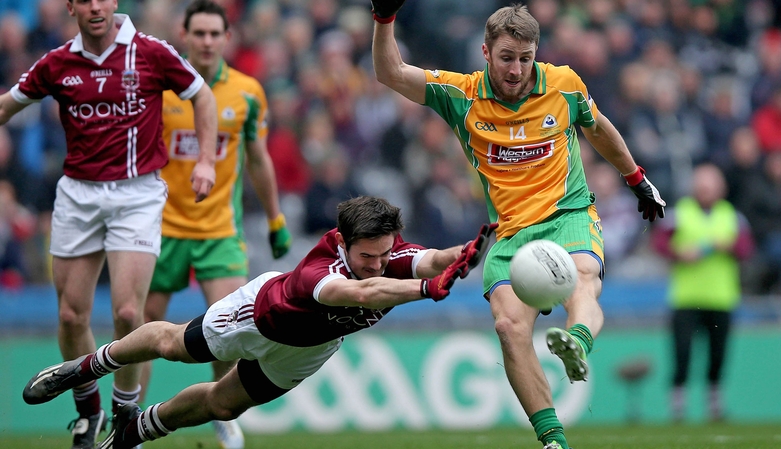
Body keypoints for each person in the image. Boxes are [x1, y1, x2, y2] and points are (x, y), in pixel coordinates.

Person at [371, 3, 665, 449]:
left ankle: (577, 342)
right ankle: (553, 440)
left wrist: (636, 178)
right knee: (509, 328)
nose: (516, 69)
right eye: (506, 57)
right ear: (485, 52)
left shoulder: (563, 84)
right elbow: (390, 73)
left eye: (525, 58)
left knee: (583, 277)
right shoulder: (461, 94)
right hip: (510, 234)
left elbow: (597, 128)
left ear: (536, 54)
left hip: (568, 215)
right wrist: (384, 19)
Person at [22, 196, 497, 449]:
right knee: (172, 345)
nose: (378, 264)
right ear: (343, 243)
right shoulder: (321, 271)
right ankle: (84, 368)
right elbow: (361, 293)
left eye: (385, 254)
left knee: (223, 406)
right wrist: (425, 290)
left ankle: (133, 433)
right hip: (260, 316)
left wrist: (467, 253)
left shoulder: (388, 254)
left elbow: (433, 259)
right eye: (367, 257)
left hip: (309, 349)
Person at [0, 1, 218, 447]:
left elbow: (202, 95)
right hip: (78, 195)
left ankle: (125, 410)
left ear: (115, 2)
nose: (96, 6)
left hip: (136, 194)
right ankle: (88, 411)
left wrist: (206, 161)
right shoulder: (57, 62)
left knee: (127, 313)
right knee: (70, 315)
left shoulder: (151, 51)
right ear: (71, 7)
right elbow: (7, 106)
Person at [139, 2, 291, 447]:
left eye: (213, 34)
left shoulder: (247, 92)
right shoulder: (162, 89)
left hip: (220, 230)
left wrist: (276, 218)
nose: (206, 41)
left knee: (231, 326)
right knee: (141, 325)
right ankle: (129, 414)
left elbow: (259, 159)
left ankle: (220, 409)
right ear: (184, 35)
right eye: (199, 33)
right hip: (161, 229)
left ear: (227, 38)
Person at [651, 163, 754, 422]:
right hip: (686, 297)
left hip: (721, 297)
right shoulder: (679, 214)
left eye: (710, 185)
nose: (706, 190)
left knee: (718, 354)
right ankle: (678, 406)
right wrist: (680, 253)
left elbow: (746, 249)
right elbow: (659, 243)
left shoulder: (733, 216)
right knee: (682, 352)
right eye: (702, 185)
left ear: (721, 188)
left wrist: (729, 246)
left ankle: (715, 406)